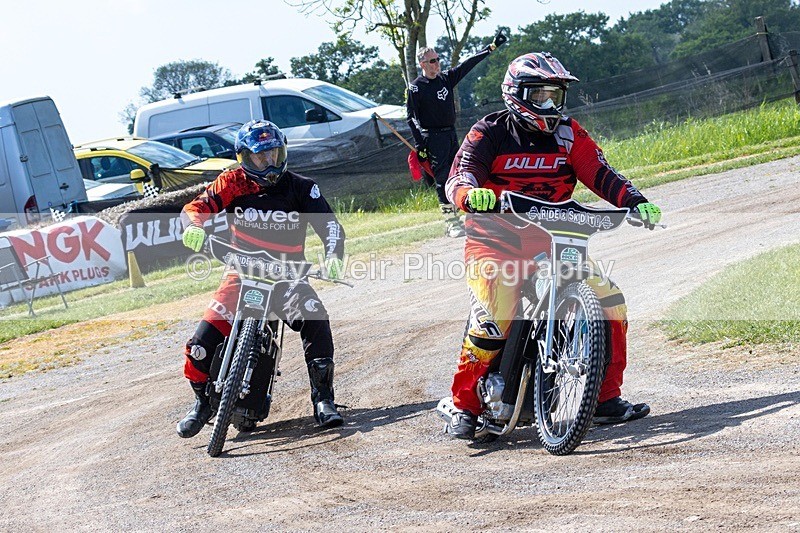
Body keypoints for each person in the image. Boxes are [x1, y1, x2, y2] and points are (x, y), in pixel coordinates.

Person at [443, 52, 663, 439]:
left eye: (555, 96)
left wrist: (634, 200)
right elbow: (461, 175)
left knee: (610, 301)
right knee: (497, 313)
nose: (549, 104)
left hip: (555, 242)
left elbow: (600, 173)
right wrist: (469, 195)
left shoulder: (568, 134)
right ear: (516, 94)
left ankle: (604, 400)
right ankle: (464, 405)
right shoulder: (489, 131)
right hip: (495, 244)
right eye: (540, 94)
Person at [176, 120, 347, 438]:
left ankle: (324, 401)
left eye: (273, 154)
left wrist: (334, 255)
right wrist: (194, 226)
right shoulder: (233, 181)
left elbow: (331, 227)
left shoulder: (301, 186)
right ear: (244, 158)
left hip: (288, 277)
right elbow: (196, 207)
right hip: (240, 274)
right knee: (199, 345)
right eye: (259, 157)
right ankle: (201, 404)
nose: (268, 163)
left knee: (316, 319)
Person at [406, 31, 508, 238]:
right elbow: (411, 118)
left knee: (460, 174)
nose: (437, 64)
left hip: (450, 134)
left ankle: (468, 216)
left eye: (438, 59)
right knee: (443, 178)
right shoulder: (416, 88)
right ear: (423, 64)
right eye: (432, 61)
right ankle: (451, 222)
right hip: (433, 138)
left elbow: (467, 65)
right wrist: (420, 145)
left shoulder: (445, 79)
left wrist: (491, 47)